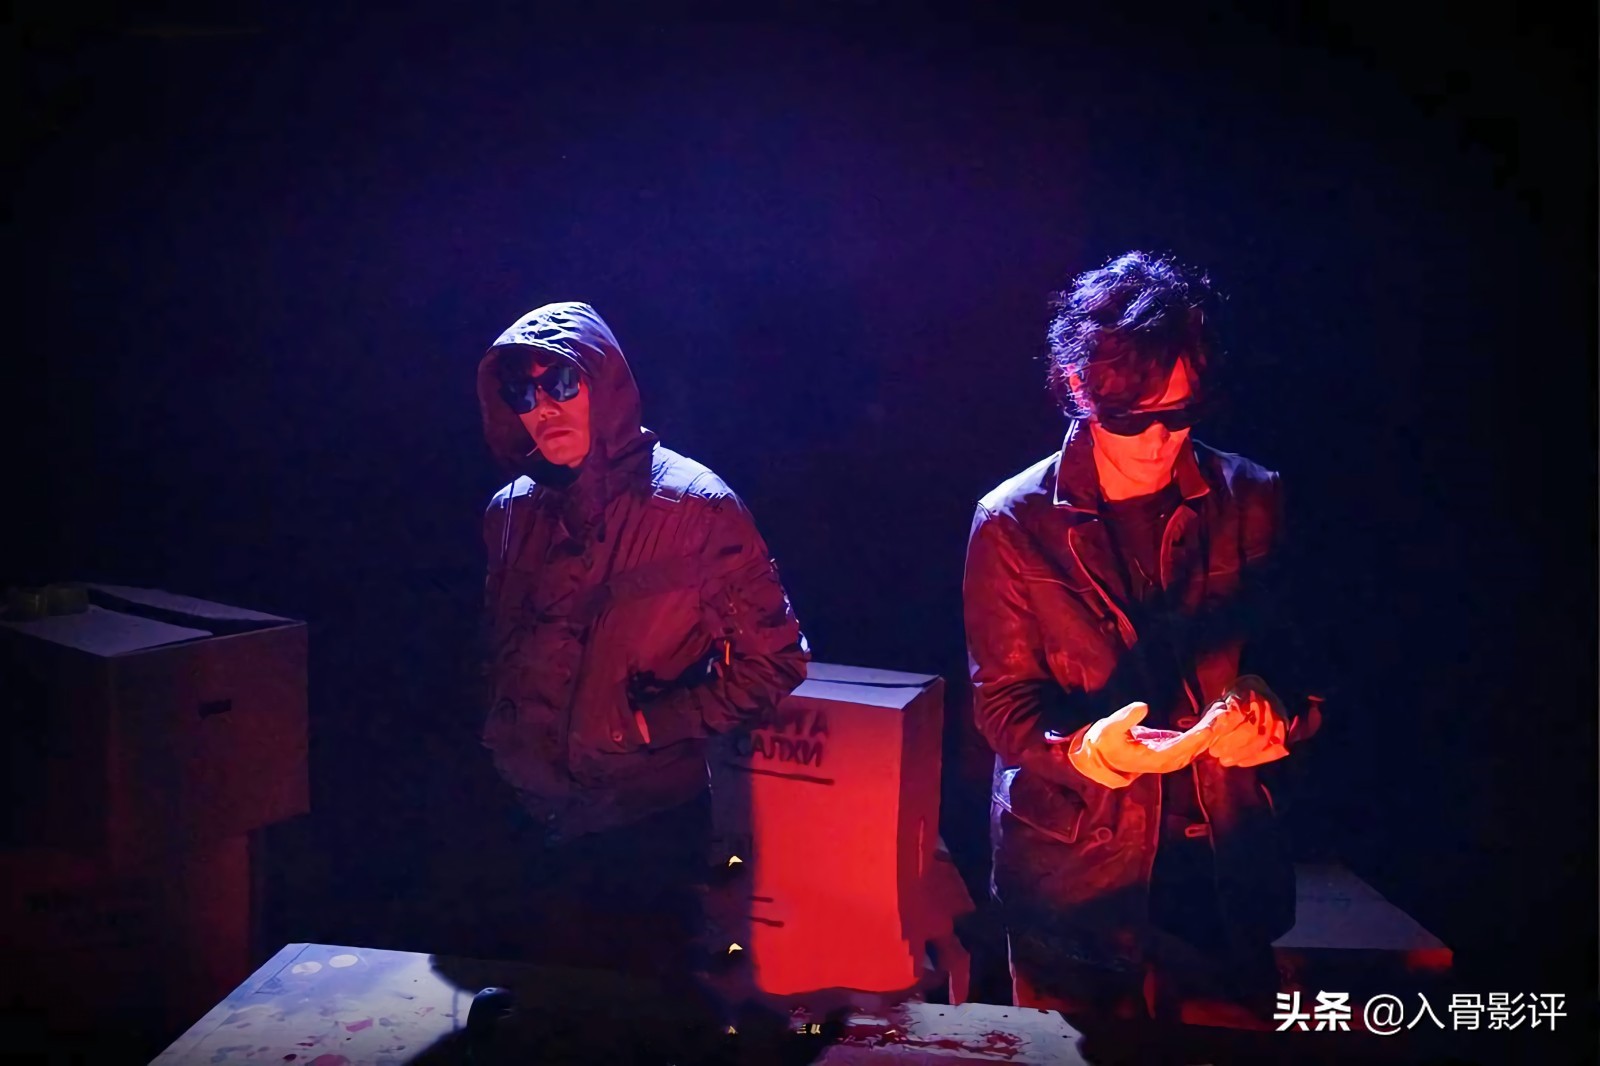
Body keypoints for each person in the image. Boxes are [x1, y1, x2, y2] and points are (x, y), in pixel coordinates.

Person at [962, 252, 1323, 1028]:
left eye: (1182, 413)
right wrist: (1086, 749)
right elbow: (1003, 707)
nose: (1159, 440)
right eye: (1131, 419)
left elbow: (1303, 660)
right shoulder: (1013, 521)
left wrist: (1273, 710)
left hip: (1222, 866)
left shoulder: (1253, 496)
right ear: (1077, 386)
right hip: (1075, 880)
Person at [474, 301, 809, 995]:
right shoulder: (510, 512)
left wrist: (649, 724)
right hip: (524, 821)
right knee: (536, 1018)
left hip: (641, 828)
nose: (543, 407)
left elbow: (777, 660)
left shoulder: (697, 508)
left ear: (604, 382)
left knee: (639, 1020)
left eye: (560, 382)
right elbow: (503, 650)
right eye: (521, 393)